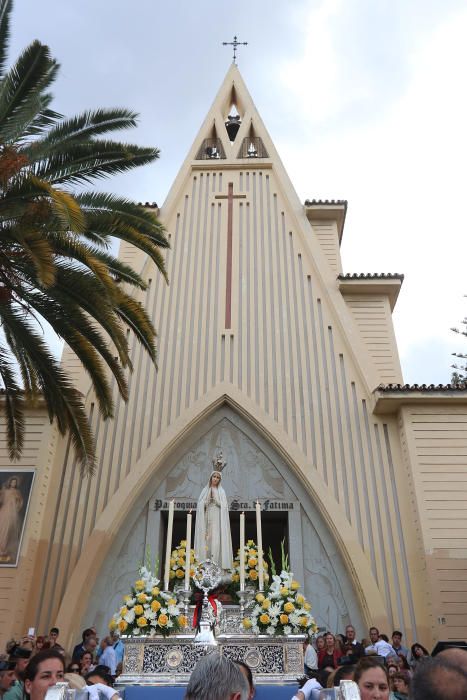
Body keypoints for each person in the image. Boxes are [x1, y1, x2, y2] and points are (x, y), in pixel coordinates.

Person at [193, 464, 233, 569]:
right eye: (214, 477)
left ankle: (215, 564)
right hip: (206, 518)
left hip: (217, 519)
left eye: (218, 477)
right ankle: (204, 565)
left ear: (220, 480)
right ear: (211, 477)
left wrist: (216, 500)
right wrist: (206, 501)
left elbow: (224, 506)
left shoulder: (221, 491)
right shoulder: (205, 490)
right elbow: (200, 504)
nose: (215, 479)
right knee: (206, 539)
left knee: (216, 541)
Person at [0, 477, 23, 563]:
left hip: (12, 513)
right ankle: (1, 549)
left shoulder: (17, 492)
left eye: (15, 482)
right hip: (4, 510)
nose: (13, 484)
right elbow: (1, 499)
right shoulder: (5, 491)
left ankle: (5, 550)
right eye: (12, 482)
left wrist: (16, 508)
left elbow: (20, 502)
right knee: (2, 528)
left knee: (9, 530)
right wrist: (2, 491)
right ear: (10, 483)